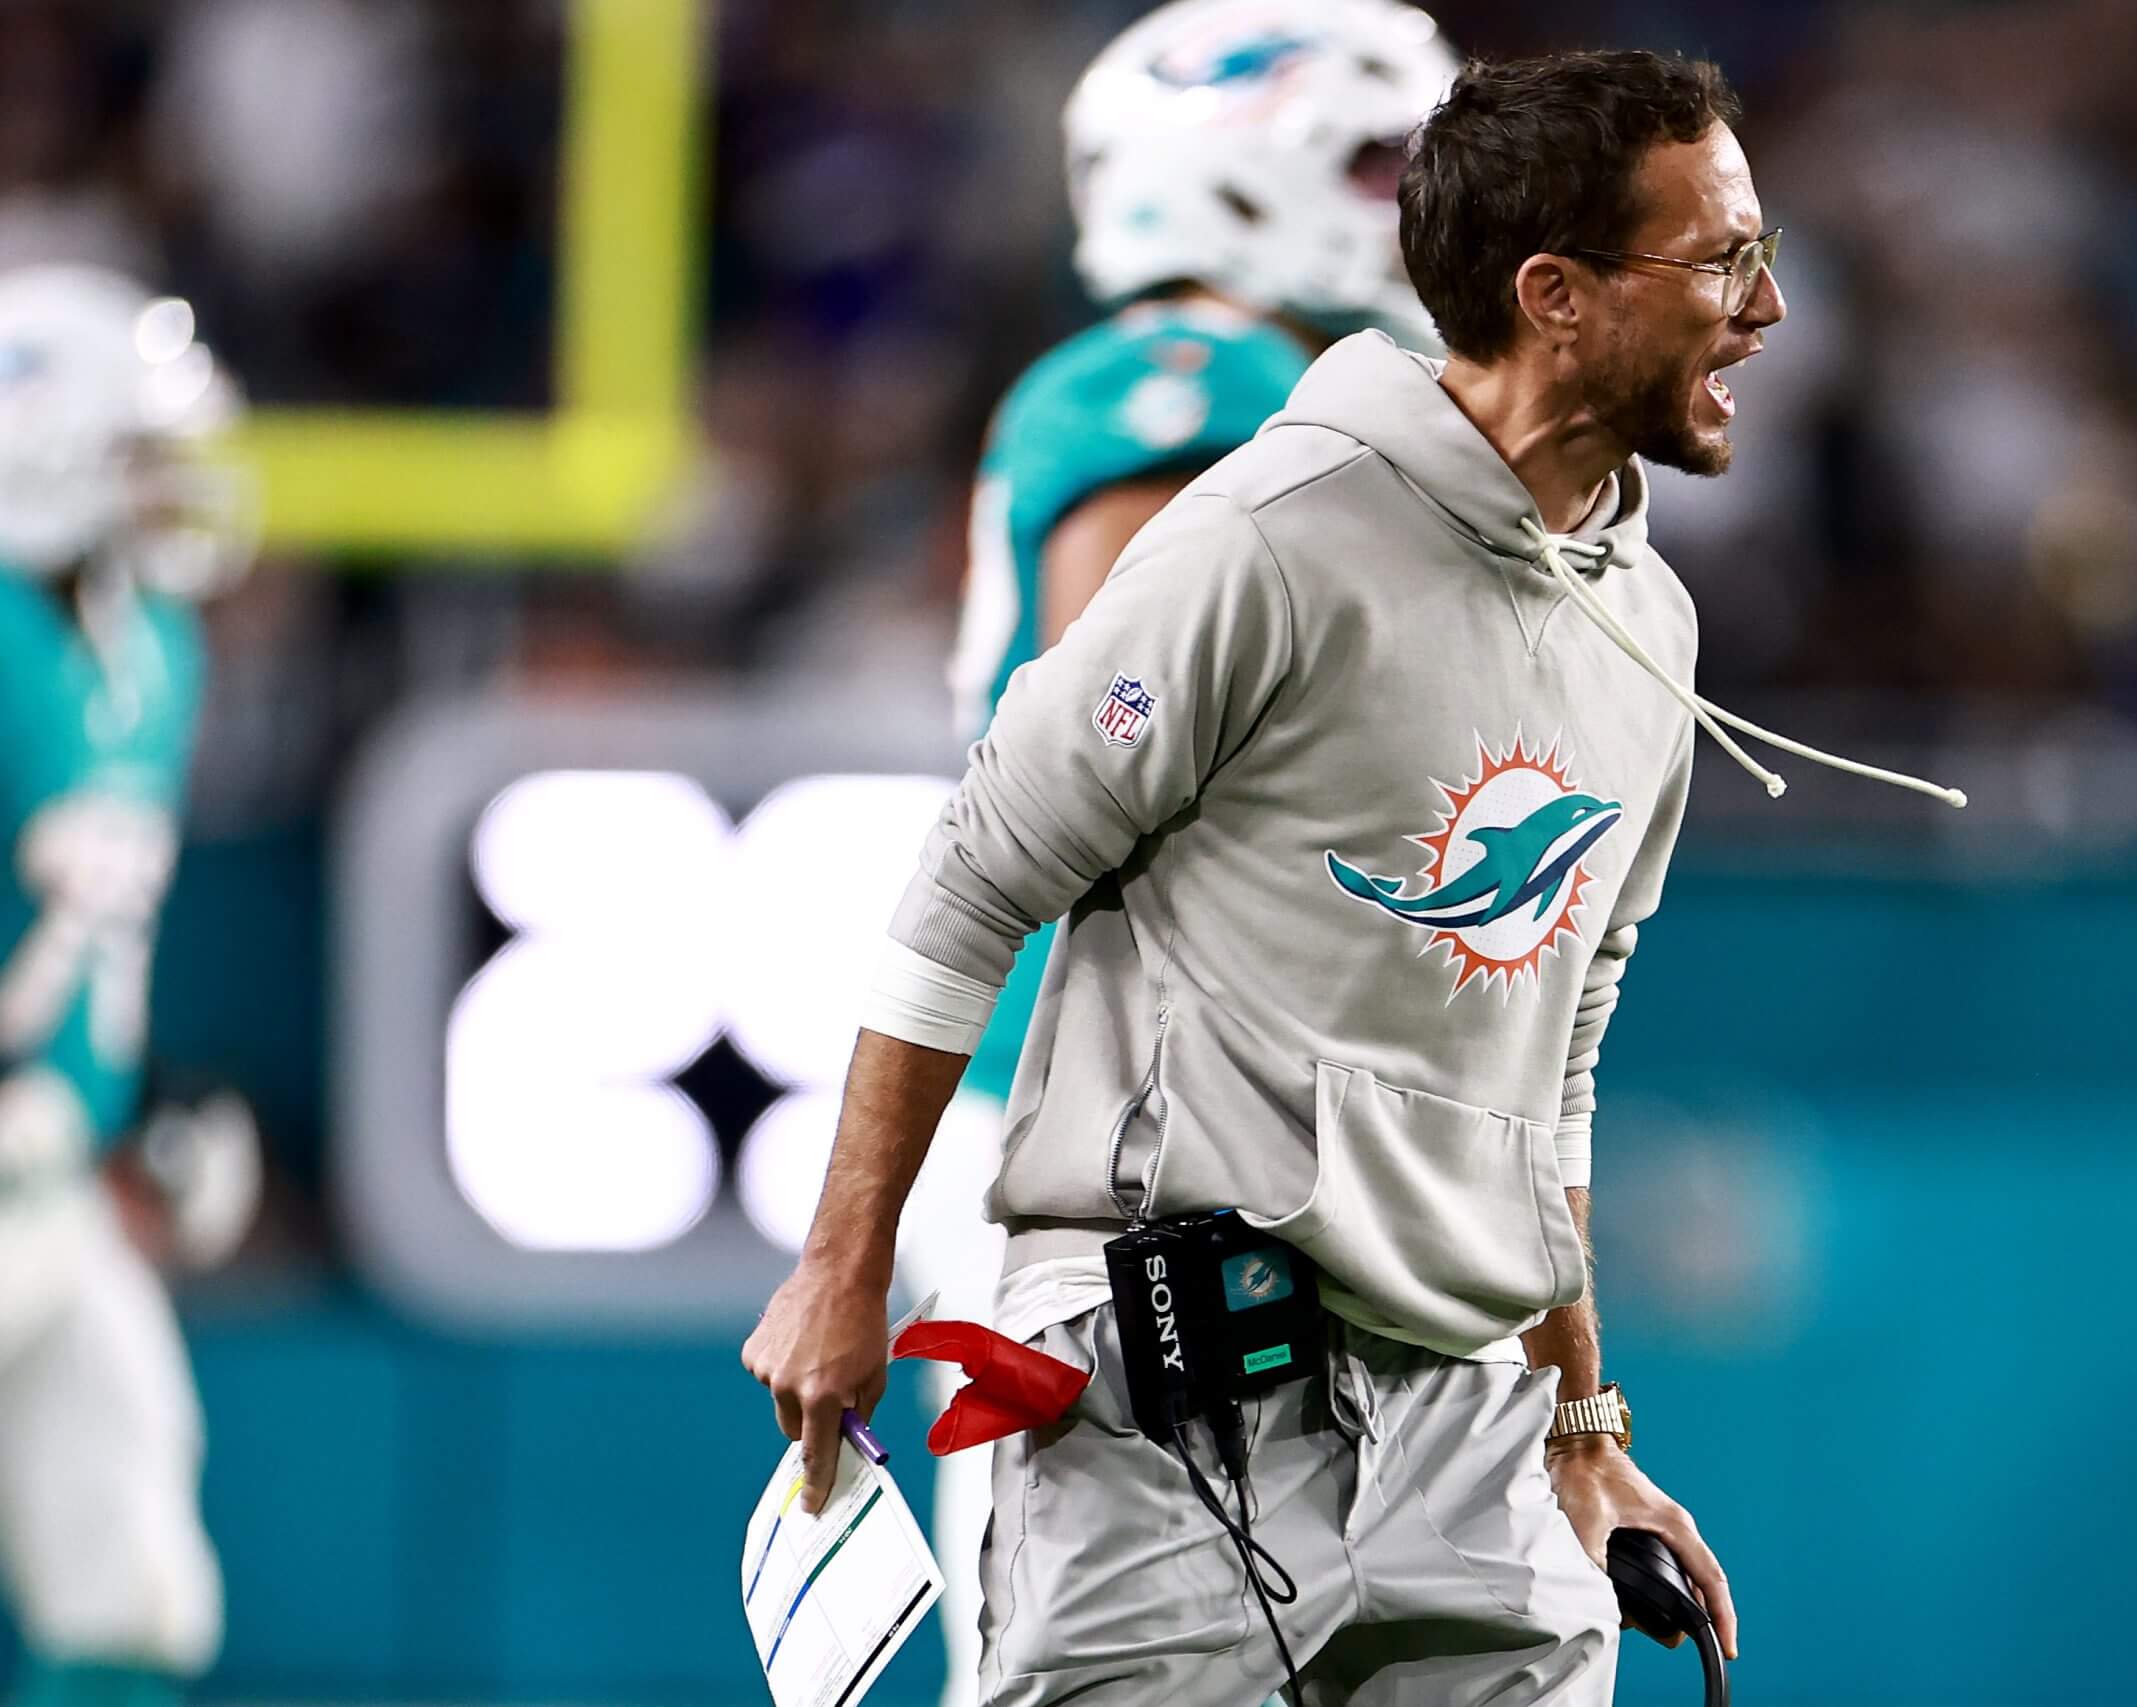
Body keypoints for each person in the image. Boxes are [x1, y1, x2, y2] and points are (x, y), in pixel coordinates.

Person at [750, 46, 1961, 1704]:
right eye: (1718, 261)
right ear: (1556, 296)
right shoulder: (1264, 518)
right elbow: (981, 863)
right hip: (1168, 1382)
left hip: (1470, 1418)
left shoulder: (1645, 621)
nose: (1763, 307)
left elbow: (1557, 1070)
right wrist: (844, 1263)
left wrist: (1584, 1425)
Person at [917, 4, 1454, 1698]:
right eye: (1380, 162)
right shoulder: (1196, 388)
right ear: (1230, 170)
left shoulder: (1311, 396)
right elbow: (1124, 781)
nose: (1420, 203)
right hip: (1131, 1141)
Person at [0, 266, 258, 1707]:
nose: (174, 486)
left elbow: (93, 942)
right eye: (137, 452)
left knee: (130, 1578)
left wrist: (146, 1106)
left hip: (49, 1181)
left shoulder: (154, 648)